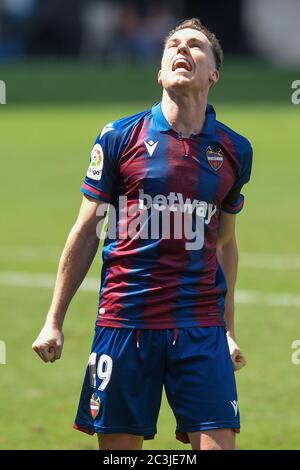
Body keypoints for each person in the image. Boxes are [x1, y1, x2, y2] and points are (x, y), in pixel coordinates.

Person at [32, 18, 253, 451]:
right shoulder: (119, 136)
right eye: (173, 44)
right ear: (160, 71)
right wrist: (53, 321)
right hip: (125, 321)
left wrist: (227, 330)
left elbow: (225, 244)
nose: (182, 49)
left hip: (200, 327)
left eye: (195, 45)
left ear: (213, 74)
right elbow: (85, 232)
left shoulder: (234, 149)